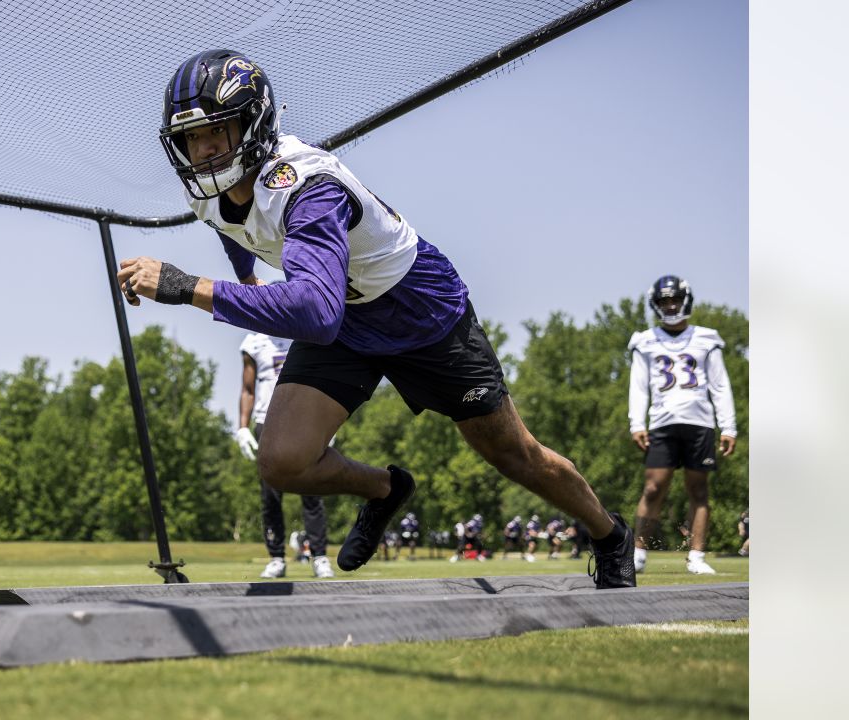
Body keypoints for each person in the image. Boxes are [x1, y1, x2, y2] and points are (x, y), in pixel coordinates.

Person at [118, 49, 635, 588]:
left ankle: (608, 533)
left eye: (216, 132)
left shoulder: (306, 186)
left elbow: (315, 313)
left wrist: (185, 287)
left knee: (513, 454)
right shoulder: (209, 191)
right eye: (191, 137)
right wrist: (246, 278)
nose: (201, 151)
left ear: (253, 123)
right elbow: (236, 230)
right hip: (347, 318)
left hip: (419, 310)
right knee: (283, 461)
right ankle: (385, 490)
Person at [628, 275, 738, 575]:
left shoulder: (706, 338)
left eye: (675, 299)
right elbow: (638, 387)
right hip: (662, 422)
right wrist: (636, 422)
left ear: (686, 300)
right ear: (656, 304)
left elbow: (719, 385)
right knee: (652, 488)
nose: (671, 305)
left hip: (700, 422)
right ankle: (637, 553)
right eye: (665, 301)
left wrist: (729, 426)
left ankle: (696, 556)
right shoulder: (645, 340)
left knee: (699, 491)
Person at [237, 331, 335, 579]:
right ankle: (277, 558)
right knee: (270, 494)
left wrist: (328, 421)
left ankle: (320, 556)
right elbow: (248, 388)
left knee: (312, 490)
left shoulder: (302, 330)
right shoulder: (253, 341)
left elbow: (322, 377)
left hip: (305, 419)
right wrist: (241, 427)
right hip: (267, 421)